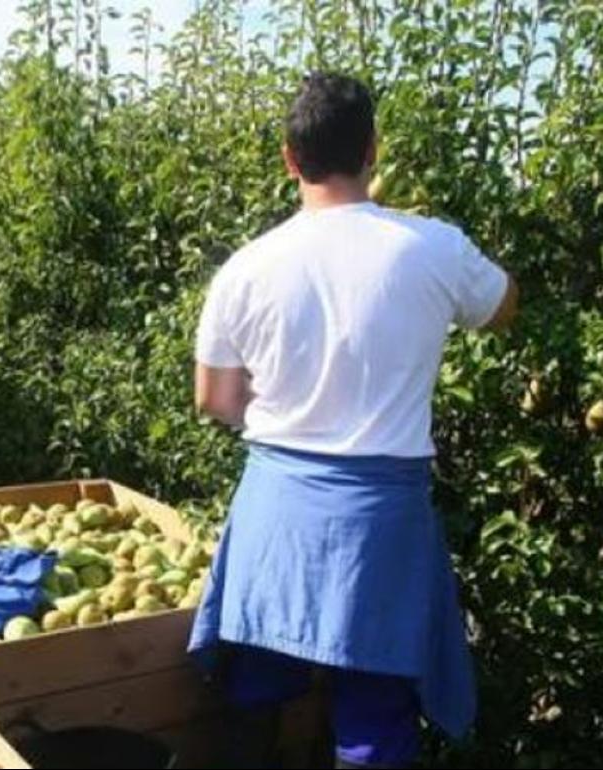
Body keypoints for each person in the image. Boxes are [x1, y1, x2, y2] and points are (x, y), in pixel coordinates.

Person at [190, 73, 519, 769]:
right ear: (373, 148)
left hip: (275, 516)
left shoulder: (245, 270)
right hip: (379, 524)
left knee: (254, 697)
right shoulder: (432, 247)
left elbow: (215, 401)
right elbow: (502, 306)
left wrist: (295, 405)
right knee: (373, 721)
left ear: (289, 157)